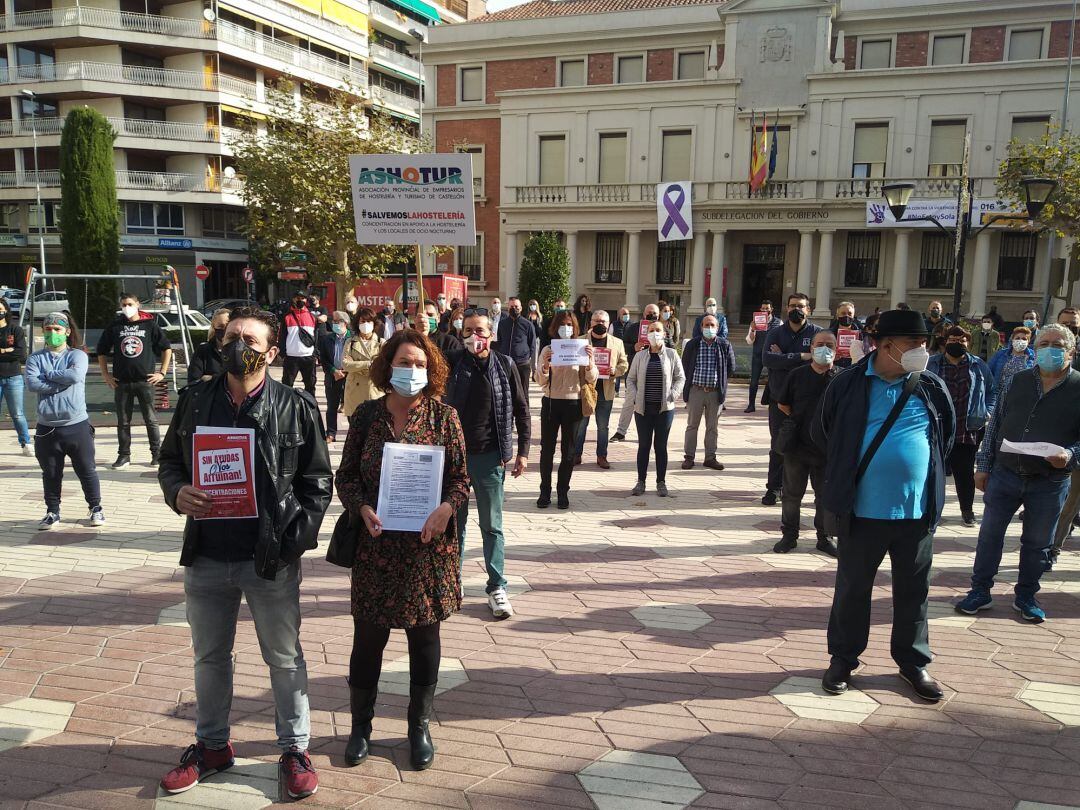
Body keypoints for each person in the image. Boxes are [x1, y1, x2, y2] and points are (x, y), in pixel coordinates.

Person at [157, 306, 332, 799]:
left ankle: (294, 749)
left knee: (284, 657)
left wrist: (293, 543)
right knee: (210, 657)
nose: (239, 347)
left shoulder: (295, 406)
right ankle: (212, 746)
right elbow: (170, 462)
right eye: (232, 336)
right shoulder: (196, 401)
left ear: (272, 352)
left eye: (251, 340)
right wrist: (177, 492)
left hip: (269, 558)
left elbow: (318, 482)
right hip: (208, 554)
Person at [335, 328, 469, 771]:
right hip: (375, 546)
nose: (412, 370)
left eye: (420, 364)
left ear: (431, 370)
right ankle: (361, 727)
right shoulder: (366, 416)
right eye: (404, 363)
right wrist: (361, 506)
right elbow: (346, 476)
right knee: (367, 640)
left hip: (426, 549)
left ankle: (418, 726)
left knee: (424, 638)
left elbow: (460, 480)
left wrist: (447, 508)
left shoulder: (444, 418)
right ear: (387, 366)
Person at [814, 309, 955, 702]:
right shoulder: (847, 384)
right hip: (861, 511)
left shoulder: (930, 386)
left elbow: (945, 437)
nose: (922, 351)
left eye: (925, 343)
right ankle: (843, 659)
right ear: (886, 345)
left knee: (914, 591)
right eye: (914, 344)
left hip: (916, 512)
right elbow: (823, 432)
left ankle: (913, 662)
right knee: (852, 590)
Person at [956, 324, 1080, 623]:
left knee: (1038, 543)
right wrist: (983, 466)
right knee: (989, 537)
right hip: (1006, 473)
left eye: (1058, 345)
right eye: (1044, 344)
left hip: (1050, 480)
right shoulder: (1016, 380)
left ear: (1071, 351)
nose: (1050, 349)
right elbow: (996, 425)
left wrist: (1070, 455)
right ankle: (980, 590)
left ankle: (1026, 595)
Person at [445, 312, 530, 618]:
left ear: (491, 334)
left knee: (492, 525)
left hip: (490, 456)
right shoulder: (452, 363)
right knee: (455, 524)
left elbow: (521, 409)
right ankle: (453, 581)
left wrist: (523, 452)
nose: (474, 336)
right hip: (454, 459)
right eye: (468, 331)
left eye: (480, 330)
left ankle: (496, 586)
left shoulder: (505, 365)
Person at [25, 313, 103, 530]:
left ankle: (96, 507)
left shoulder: (78, 355)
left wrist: (47, 375)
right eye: (48, 329)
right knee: (50, 473)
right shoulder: (35, 358)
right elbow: (32, 384)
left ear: (67, 332)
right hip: (47, 427)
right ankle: (52, 511)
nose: (53, 333)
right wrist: (61, 380)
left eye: (57, 329)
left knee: (86, 469)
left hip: (76, 425)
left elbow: (75, 376)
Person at [774, 331, 839, 557]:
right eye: (819, 344)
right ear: (811, 348)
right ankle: (789, 536)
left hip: (828, 449)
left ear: (837, 349)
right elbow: (783, 404)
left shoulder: (842, 378)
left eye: (829, 345)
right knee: (792, 495)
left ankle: (825, 537)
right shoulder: (797, 374)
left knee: (824, 497)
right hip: (798, 447)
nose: (824, 349)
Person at [926, 326, 996, 527]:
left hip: (967, 428)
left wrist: (987, 411)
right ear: (945, 341)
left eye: (962, 340)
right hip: (937, 427)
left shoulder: (978, 365)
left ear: (968, 343)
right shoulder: (932, 363)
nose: (957, 343)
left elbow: (992, 391)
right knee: (934, 472)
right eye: (953, 339)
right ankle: (931, 511)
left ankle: (967, 511)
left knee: (964, 473)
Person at [97, 291, 172, 469]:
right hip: (121, 381)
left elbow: (166, 348)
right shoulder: (115, 326)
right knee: (123, 421)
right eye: (123, 305)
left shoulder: (149, 325)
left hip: (145, 381)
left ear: (138, 304)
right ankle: (124, 456)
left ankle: (157, 455)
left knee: (150, 419)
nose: (127, 308)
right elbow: (101, 351)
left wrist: (162, 372)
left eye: (130, 304)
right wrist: (105, 374)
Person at [761, 293, 821, 506]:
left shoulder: (817, 334)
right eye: (793, 305)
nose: (797, 309)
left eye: (801, 306)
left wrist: (783, 356)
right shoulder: (776, 333)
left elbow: (820, 361)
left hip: (808, 401)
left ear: (808, 310)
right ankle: (774, 488)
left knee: (810, 445)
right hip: (779, 400)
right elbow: (767, 359)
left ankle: (813, 491)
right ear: (787, 308)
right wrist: (802, 356)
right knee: (779, 445)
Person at [534, 310, 597, 509]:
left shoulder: (582, 348)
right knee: (547, 450)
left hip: (573, 403)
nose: (566, 328)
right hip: (551, 402)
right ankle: (545, 491)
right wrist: (545, 366)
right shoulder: (548, 349)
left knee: (568, 452)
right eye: (562, 324)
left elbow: (592, 378)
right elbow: (540, 381)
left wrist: (589, 362)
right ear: (555, 327)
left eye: (569, 325)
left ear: (574, 327)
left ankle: (563, 492)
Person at [625, 319, 685, 497]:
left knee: (660, 446)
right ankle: (641, 481)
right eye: (651, 330)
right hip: (643, 409)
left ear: (664, 334)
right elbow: (630, 379)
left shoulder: (672, 354)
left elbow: (680, 377)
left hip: (664, 409)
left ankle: (661, 482)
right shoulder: (640, 356)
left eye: (658, 330)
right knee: (644, 445)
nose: (654, 333)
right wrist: (635, 397)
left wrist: (673, 395)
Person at [573, 309, 628, 469]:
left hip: (606, 389)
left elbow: (624, 364)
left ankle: (601, 456)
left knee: (603, 427)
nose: (600, 324)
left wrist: (615, 371)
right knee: (581, 425)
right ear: (591, 323)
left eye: (603, 321)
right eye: (596, 321)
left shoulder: (617, 343)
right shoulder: (580, 341)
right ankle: (576, 454)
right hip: (585, 389)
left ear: (609, 324)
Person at [680, 314, 734, 471]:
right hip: (696, 390)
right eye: (706, 325)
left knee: (712, 427)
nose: (709, 328)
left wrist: (721, 381)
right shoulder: (693, 344)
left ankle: (710, 457)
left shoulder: (724, 344)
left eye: (712, 325)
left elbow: (731, 367)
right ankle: (689, 457)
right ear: (701, 327)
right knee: (692, 425)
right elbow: (685, 365)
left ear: (718, 327)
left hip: (715, 392)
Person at [611, 303, 663, 442]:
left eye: (655, 313)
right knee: (630, 401)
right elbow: (623, 345)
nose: (652, 315)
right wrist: (633, 347)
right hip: (636, 370)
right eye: (649, 313)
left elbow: (670, 346)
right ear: (644, 314)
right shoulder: (634, 328)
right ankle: (621, 431)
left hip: (656, 373)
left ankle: (652, 434)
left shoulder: (663, 329)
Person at [0, 297, 31, 455]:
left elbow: (21, 354)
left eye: (0, 310)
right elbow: (15, 352)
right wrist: (10, 351)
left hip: (13, 377)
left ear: (6, 311)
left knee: (18, 414)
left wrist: (3, 351)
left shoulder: (15, 330)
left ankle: (26, 443)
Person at [342, 307, 384, 419]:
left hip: (374, 389)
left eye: (369, 321)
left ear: (374, 323)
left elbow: (382, 366)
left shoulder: (381, 343)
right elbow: (345, 364)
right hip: (354, 390)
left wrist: (355, 364)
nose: (366, 324)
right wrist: (369, 364)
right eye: (363, 321)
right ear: (357, 323)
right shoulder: (350, 342)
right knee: (355, 424)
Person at [316, 311, 351, 443]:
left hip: (350, 376)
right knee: (332, 406)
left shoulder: (353, 338)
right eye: (334, 321)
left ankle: (353, 434)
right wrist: (333, 371)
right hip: (332, 377)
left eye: (338, 321)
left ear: (345, 323)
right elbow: (323, 359)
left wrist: (346, 371)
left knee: (351, 406)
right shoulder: (327, 339)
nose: (334, 324)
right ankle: (331, 433)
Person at [744, 300, 782, 413]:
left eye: (767, 308)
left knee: (773, 381)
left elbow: (782, 338)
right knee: (754, 381)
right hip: (758, 355)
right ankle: (751, 405)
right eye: (763, 308)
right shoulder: (755, 322)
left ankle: (772, 404)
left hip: (772, 356)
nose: (765, 310)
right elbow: (749, 341)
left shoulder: (779, 323)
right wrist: (753, 329)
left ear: (771, 309)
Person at [496, 296, 536, 397]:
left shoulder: (527, 324)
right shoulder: (502, 324)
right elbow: (499, 342)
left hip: (522, 365)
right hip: (506, 364)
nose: (514, 308)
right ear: (508, 308)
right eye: (511, 306)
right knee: (506, 393)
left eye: (516, 306)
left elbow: (532, 345)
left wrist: (528, 360)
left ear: (521, 308)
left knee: (523, 394)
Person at [280, 292, 318, 395]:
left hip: (308, 356)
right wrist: (283, 353)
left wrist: (316, 353)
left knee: (310, 386)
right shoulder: (287, 316)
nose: (300, 300)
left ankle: (310, 404)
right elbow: (282, 336)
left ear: (306, 300)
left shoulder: (312, 317)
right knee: (287, 386)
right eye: (297, 298)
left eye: (303, 298)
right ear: (293, 299)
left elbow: (316, 336)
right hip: (291, 357)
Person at [188, 309, 230, 384]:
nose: (225, 330)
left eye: (228, 325)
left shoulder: (240, 351)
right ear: (214, 327)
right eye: (220, 326)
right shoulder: (203, 350)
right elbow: (193, 381)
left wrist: (211, 378)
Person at [828, 301, 863, 369]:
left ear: (853, 316)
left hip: (854, 369)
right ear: (837, 316)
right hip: (833, 369)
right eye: (843, 313)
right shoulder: (828, 334)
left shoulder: (861, 334)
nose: (846, 316)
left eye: (850, 314)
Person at [613, 306, 632, 394]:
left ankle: (628, 389)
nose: (626, 315)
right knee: (617, 369)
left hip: (628, 350)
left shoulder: (632, 325)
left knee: (629, 371)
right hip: (617, 351)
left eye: (628, 314)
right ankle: (616, 390)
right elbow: (610, 336)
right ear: (619, 315)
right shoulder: (614, 324)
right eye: (624, 314)